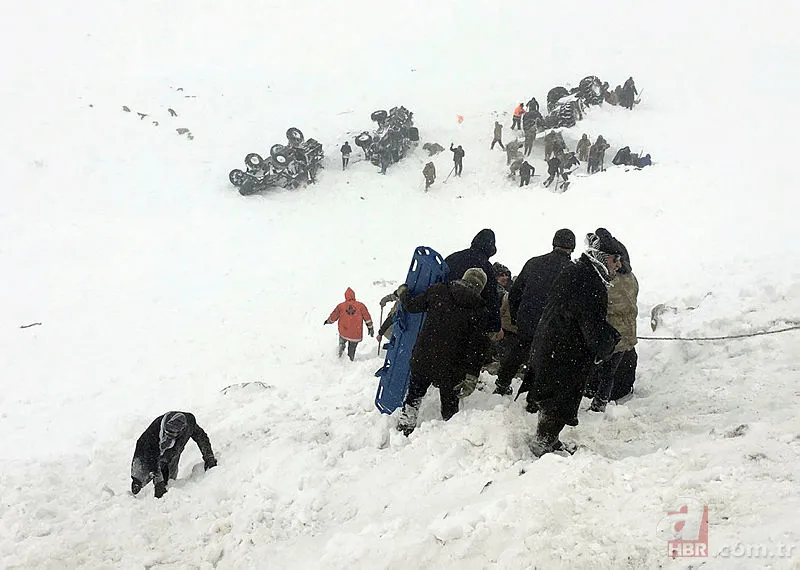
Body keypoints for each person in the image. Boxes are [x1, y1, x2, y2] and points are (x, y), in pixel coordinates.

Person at [519, 232, 623, 457]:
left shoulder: (578, 271)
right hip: (564, 352)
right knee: (558, 401)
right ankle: (543, 443)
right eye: (615, 259)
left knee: (552, 396)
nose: (619, 264)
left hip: (554, 345)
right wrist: (607, 343)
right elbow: (590, 323)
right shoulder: (589, 281)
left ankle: (549, 439)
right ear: (602, 258)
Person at [395, 268, 492, 435]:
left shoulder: (439, 291)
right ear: (480, 288)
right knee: (449, 407)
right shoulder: (480, 310)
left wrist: (403, 293)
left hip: (423, 357)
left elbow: (412, 306)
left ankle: (405, 427)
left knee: (414, 395)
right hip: (452, 367)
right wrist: (472, 376)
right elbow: (477, 348)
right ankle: (447, 438)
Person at [493, 229, 575, 396]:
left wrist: (517, 317)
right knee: (546, 359)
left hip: (528, 319)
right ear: (572, 248)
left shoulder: (534, 263)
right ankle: (536, 394)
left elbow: (514, 293)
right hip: (553, 323)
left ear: (553, 243)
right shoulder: (571, 270)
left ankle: (502, 383)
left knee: (519, 350)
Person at [586, 229, 639, 411]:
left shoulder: (607, 280)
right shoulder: (631, 278)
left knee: (603, 370)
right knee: (615, 369)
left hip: (610, 336)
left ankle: (598, 400)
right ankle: (607, 398)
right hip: (628, 335)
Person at [130, 411, 217, 499]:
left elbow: (201, 437)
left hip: (173, 453)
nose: (168, 437)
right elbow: (150, 456)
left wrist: (209, 456)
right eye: (167, 433)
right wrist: (158, 482)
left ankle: (166, 485)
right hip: (148, 451)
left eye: (172, 435)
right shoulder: (153, 433)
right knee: (144, 470)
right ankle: (138, 482)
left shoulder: (189, 424)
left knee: (169, 479)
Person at [444, 229, 502, 335]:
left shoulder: (453, 258)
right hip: (464, 325)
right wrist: (495, 324)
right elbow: (491, 298)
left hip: (439, 315)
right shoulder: (486, 268)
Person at [324, 287, 374, 361]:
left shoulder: (341, 306)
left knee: (341, 345)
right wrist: (370, 328)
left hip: (344, 332)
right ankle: (350, 360)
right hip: (355, 334)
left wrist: (328, 321)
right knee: (352, 349)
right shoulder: (361, 306)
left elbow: (333, 316)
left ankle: (339, 359)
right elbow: (367, 318)